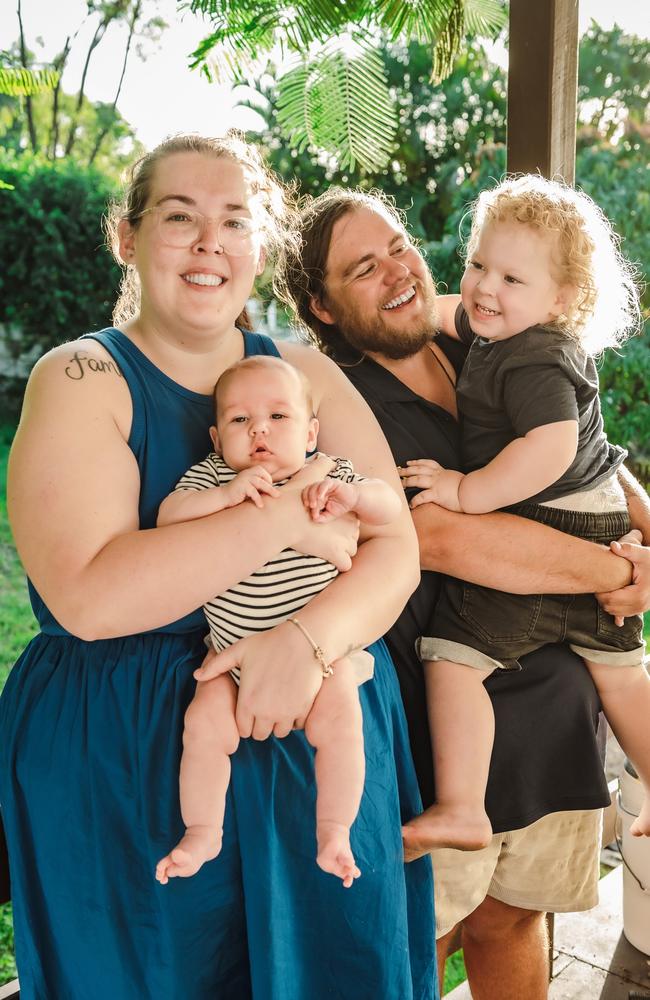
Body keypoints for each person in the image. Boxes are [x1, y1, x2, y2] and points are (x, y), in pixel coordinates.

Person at [0, 135, 438, 1000]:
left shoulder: (306, 373)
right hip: (125, 754)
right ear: (125, 238)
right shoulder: (83, 374)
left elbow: (397, 550)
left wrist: (307, 642)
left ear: (259, 245)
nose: (210, 244)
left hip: (318, 725)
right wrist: (289, 520)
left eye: (235, 221)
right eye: (179, 218)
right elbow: (90, 595)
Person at [276, 185, 650, 999]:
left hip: (555, 707)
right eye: (362, 268)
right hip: (437, 730)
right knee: (423, 937)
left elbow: (579, 446)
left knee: (514, 922)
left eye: (399, 246)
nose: (397, 271)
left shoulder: (481, 331)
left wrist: (646, 533)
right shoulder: (340, 402)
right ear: (323, 306)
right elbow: (437, 537)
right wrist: (616, 575)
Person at [399, 175, 648, 852]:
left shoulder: (533, 358)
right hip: (595, 523)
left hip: (549, 528)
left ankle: (459, 806)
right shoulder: (508, 328)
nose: (484, 287)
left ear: (562, 299)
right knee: (623, 676)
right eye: (478, 263)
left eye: (511, 277)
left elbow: (550, 447)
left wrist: (465, 490)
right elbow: (449, 310)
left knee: (451, 659)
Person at [155, 353, 400, 888]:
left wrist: (354, 495)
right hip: (229, 655)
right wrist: (225, 498)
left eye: (278, 417)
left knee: (341, 726)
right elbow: (167, 517)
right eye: (240, 421)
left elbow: (389, 506)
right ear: (218, 440)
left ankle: (334, 829)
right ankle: (202, 832)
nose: (259, 428)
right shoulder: (214, 477)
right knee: (202, 727)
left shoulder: (329, 473)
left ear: (311, 431)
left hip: (322, 658)